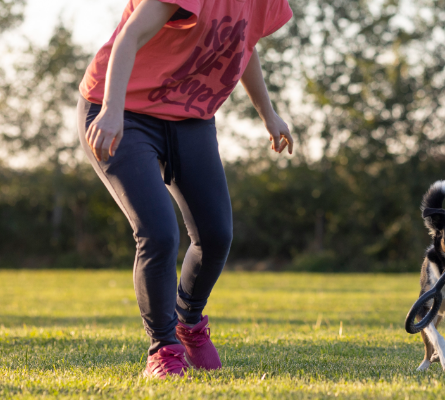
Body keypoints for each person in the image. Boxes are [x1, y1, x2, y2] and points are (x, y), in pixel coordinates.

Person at [76, 0, 294, 378]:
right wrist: (111, 109)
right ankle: (163, 347)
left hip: (189, 119)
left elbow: (244, 46)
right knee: (158, 232)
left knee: (215, 234)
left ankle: (188, 322)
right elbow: (129, 37)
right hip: (120, 110)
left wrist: (268, 113)